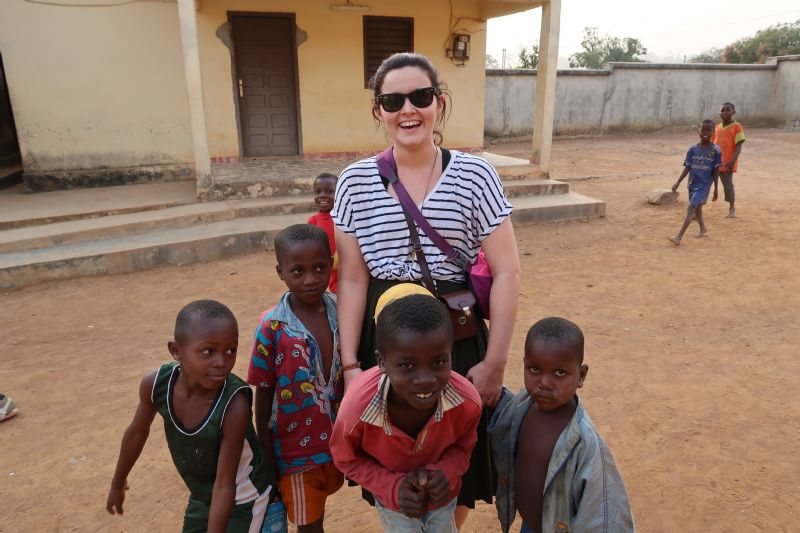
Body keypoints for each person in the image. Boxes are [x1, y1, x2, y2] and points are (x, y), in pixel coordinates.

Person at [331, 51, 520, 526]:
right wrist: (351, 365)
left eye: (420, 96)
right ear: (379, 110)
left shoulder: (475, 175)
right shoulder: (355, 181)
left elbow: (507, 271)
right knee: (391, 459)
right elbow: (353, 278)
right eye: (392, 100)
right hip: (387, 342)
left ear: (439, 102)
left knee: (455, 464)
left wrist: (494, 362)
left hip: (454, 342)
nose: (407, 110)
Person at [106, 300, 273, 532]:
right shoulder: (156, 384)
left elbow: (225, 484)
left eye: (230, 350)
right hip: (203, 493)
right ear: (176, 351)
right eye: (208, 351)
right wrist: (117, 483)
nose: (222, 362)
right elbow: (137, 432)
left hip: (243, 497)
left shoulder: (234, 405)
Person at [330, 291, 482, 533]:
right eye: (407, 366)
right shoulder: (357, 407)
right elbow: (346, 458)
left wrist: (446, 472)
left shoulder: (466, 401)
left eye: (439, 362)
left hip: (443, 495)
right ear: (381, 362)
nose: (424, 379)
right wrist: (393, 487)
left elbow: (464, 447)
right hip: (394, 502)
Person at [489, 317, 635, 533]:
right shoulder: (519, 409)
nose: (545, 383)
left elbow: (605, 508)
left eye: (559, 373)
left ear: (581, 375)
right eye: (535, 369)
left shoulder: (585, 442)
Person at [247, 224, 343, 533]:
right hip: (294, 452)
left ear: (332, 263)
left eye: (320, 268)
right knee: (309, 526)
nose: (311, 279)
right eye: (298, 271)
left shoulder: (343, 311)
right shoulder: (272, 328)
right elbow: (263, 390)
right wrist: (264, 446)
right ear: (280, 272)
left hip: (339, 443)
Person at [670, 119, 722, 245]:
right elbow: (687, 167)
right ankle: (703, 228)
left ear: (713, 132)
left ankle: (679, 236)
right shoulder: (692, 149)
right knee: (698, 209)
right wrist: (678, 182)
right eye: (703, 129)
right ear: (698, 131)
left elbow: (716, 171)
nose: (705, 132)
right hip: (692, 183)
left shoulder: (716, 150)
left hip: (704, 185)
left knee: (691, 208)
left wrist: (715, 189)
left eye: (708, 130)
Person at [712, 102, 746, 218]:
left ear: (733, 112)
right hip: (714, 163)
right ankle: (697, 207)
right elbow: (711, 145)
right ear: (719, 113)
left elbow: (739, 145)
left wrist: (732, 161)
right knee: (704, 184)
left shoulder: (737, 127)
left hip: (727, 163)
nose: (725, 112)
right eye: (722, 110)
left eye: (728, 110)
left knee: (728, 186)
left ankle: (732, 207)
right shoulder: (716, 128)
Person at [307, 173, 339, 292]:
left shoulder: (343, 217)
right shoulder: (313, 221)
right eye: (318, 192)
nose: (322, 196)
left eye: (329, 191)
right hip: (325, 269)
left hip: (346, 268)